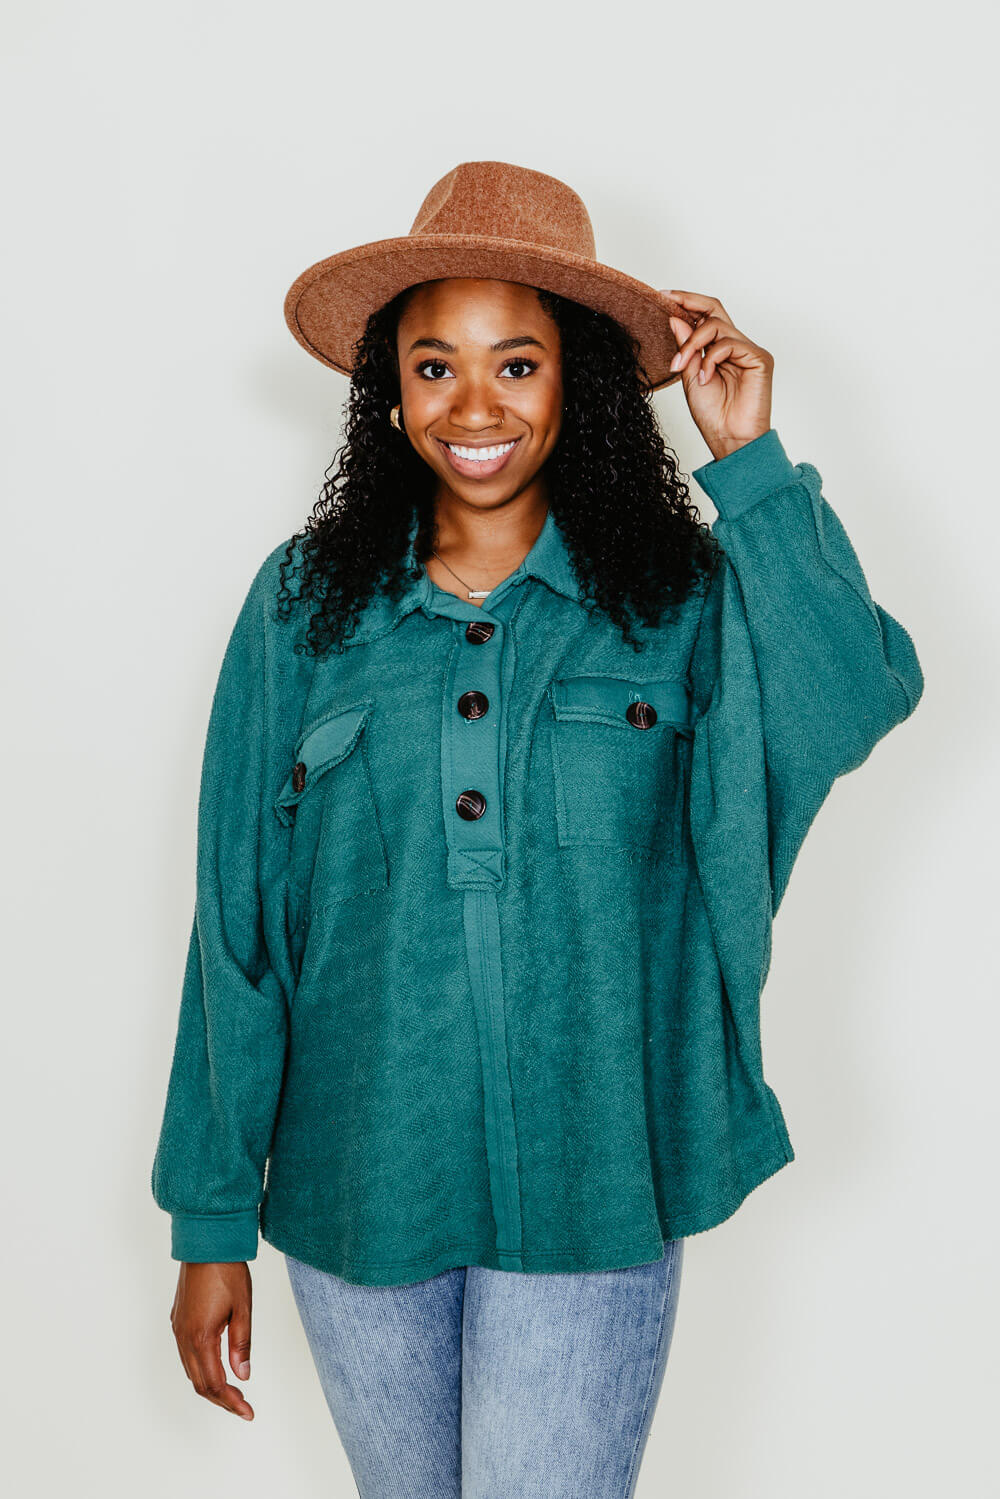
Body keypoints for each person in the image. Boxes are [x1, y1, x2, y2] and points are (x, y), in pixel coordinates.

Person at [151, 161, 924, 1497]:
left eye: (517, 364)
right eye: (434, 366)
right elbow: (237, 918)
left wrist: (747, 466)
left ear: (581, 383)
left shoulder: (677, 599)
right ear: (389, 390)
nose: (474, 407)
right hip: (359, 1191)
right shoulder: (303, 607)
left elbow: (852, 692)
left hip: (595, 1181)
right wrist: (209, 1217)